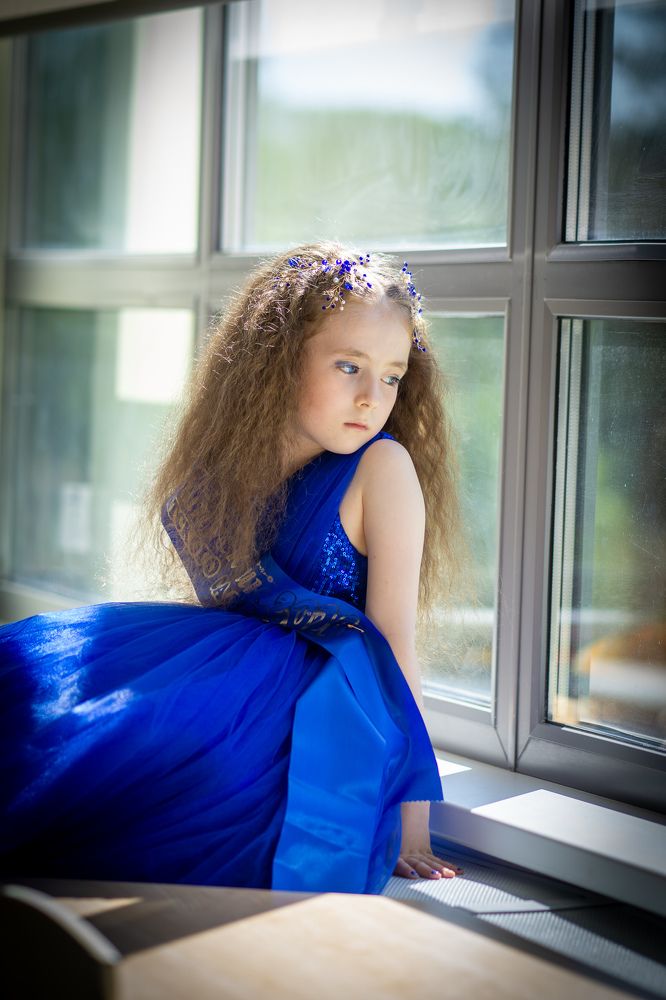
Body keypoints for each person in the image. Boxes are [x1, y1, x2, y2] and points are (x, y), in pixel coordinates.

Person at [0, 242, 465, 893]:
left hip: (310, 727)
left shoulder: (382, 468)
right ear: (278, 360)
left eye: (392, 376)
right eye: (348, 366)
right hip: (232, 689)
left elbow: (395, 652)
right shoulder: (221, 473)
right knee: (61, 713)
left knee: (130, 769)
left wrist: (413, 824)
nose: (371, 397)